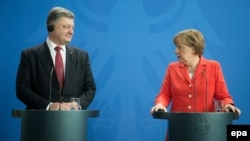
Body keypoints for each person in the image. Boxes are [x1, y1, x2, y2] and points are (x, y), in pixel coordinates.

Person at [16, 7, 96, 110]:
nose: (71, 31)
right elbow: (22, 90)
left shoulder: (82, 56)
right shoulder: (30, 55)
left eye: (73, 27)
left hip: (72, 122)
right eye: (66, 27)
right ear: (51, 28)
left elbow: (90, 88)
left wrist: (77, 105)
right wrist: (48, 106)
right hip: (40, 121)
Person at [150, 29, 241, 114]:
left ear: (193, 49)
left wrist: (227, 105)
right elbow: (164, 95)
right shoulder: (172, 68)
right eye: (176, 47)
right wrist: (160, 104)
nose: (176, 51)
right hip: (178, 125)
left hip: (206, 126)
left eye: (180, 47)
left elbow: (222, 96)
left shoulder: (213, 67)